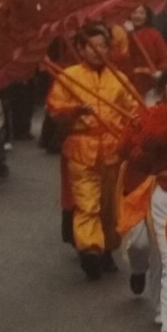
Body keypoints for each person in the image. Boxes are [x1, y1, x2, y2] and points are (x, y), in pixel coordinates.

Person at [46, 25, 142, 280]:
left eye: (102, 45)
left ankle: (107, 248)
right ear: (80, 48)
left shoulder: (118, 77)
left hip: (113, 149)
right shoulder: (69, 76)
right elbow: (55, 108)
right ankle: (90, 250)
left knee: (110, 206)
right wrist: (75, 110)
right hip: (81, 149)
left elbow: (133, 111)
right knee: (87, 203)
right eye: (91, 45)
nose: (98, 50)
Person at [118, 66, 167, 332]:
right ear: (164, 89)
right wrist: (140, 146)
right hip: (148, 188)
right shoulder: (149, 115)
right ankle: (140, 272)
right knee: (146, 247)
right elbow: (128, 149)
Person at [123, 5, 167, 97]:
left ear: (146, 16)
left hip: (150, 81)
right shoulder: (122, 35)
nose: (138, 16)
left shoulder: (154, 34)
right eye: (134, 13)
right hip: (129, 82)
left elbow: (165, 58)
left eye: (141, 13)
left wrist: (159, 72)